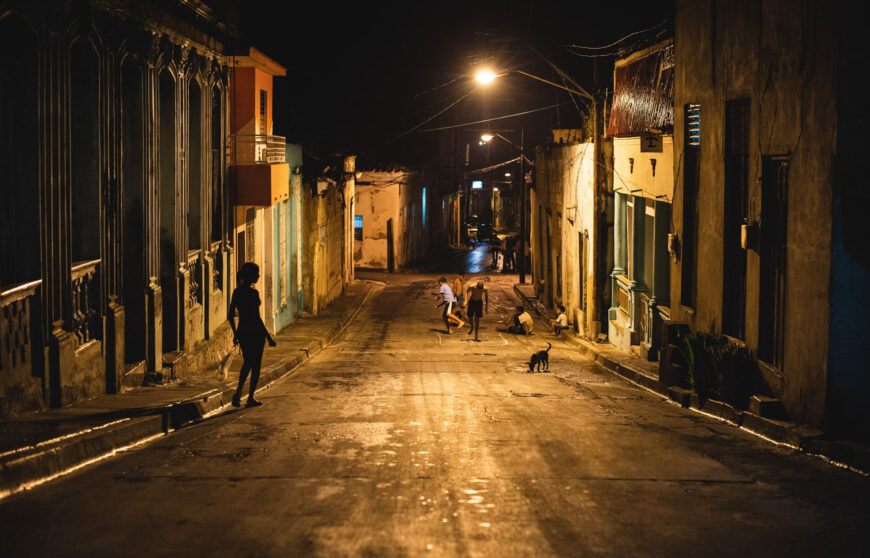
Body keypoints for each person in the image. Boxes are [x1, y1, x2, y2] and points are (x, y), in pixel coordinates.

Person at [229, 262, 277, 408]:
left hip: (243, 331)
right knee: (255, 365)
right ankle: (249, 397)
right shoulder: (253, 294)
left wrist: (235, 333)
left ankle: (238, 394)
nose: (258, 276)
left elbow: (230, 316)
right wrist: (268, 337)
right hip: (255, 333)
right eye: (256, 273)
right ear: (250, 276)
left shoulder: (236, 293)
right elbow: (257, 318)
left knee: (247, 362)